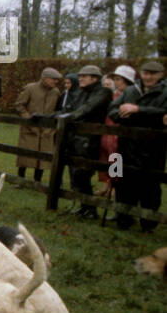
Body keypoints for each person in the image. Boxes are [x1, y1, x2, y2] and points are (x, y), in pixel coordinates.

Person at [112, 59, 167, 231]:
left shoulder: (165, 92)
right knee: (123, 183)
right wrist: (121, 114)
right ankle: (123, 219)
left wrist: (137, 110)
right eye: (145, 73)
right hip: (126, 144)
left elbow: (163, 114)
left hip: (153, 146)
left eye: (153, 74)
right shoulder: (130, 90)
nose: (148, 77)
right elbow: (113, 109)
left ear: (160, 75)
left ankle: (148, 223)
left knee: (150, 185)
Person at [55, 64, 112, 218]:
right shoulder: (82, 92)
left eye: (84, 76)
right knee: (76, 175)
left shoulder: (103, 92)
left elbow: (85, 109)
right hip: (76, 139)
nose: (80, 79)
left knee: (83, 174)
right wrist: (48, 116)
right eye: (79, 76)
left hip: (91, 140)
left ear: (95, 78)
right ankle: (85, 207)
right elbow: (70, 109)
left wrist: (65, 118)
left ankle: (91, 209)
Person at [13, 66, 62, 182]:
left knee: (44, 156)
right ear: (44, 78)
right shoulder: (30, 88)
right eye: (53, 79)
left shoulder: (56, 92)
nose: (56, 81)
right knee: (25, 155)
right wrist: (28, 119)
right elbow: (19, 105)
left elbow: (57, 109)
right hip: (30, 128)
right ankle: (20, 179)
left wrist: (52, 125)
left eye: (57, 79)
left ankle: (37, 180)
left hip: (47, 129)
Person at [100, 65, 140, 197]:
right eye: (115, 79)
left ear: (126, 80)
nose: (115, 82)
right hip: (109, 129)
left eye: (118, 79)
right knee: (107, 155)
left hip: (121, 132)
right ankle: (108, 182)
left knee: (116, 157)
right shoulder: (114, 94)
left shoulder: (131, 95)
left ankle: (115, 184)